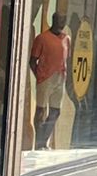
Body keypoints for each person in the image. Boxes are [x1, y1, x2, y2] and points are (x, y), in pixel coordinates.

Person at [29, 14, 71, 149]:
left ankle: (43, 140)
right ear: (54, 20)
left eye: (64, 21)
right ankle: (38, 141)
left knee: (55, 110)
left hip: (60, 77)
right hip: (46, 77)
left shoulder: (66, 39)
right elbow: (33, 60)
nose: (62, 23)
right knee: (41, 109)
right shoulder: (42, 38)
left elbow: (65, 59)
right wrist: (39, 76)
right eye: (60, 20)